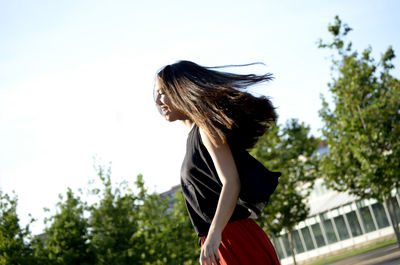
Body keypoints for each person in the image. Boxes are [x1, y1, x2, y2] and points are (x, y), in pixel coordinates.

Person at [154, 60, 281, 265]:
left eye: (163, 92)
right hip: (221, 240)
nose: (158, 100)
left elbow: (231, 182)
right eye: (157, 93)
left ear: (180, 90)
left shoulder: (205, 130)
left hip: (232, 238)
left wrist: (214, 233)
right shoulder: (193, 139)